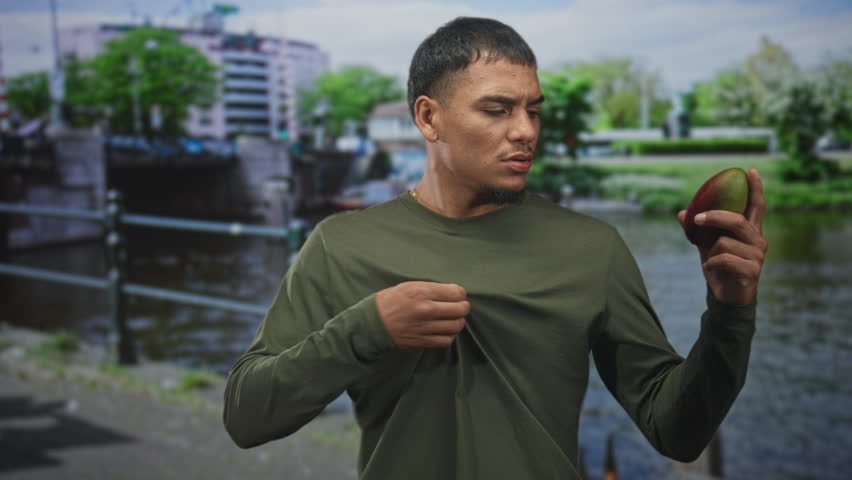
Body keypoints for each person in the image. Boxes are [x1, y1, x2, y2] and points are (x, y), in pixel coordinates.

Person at [223, 17, 768, 479]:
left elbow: (677, 431)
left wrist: (730, 311)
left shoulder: (591, 247)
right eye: (497, 109)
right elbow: (247, 417)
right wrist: (368, 329)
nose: (525, 130)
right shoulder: (342, 245)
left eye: (533, 109)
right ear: (428, 117)